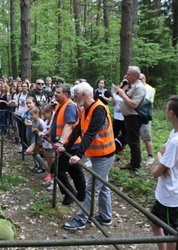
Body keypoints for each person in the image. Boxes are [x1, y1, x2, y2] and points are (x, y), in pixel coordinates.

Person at [62, 82, 116, 230]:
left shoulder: (98, 109)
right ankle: (105, 216)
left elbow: (90, 133)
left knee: (92, 188)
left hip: (105, 154)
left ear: (84, 95)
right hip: (97, 155)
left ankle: (81, 219)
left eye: (76, 96)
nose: (75, 99)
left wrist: (79, 155)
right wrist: (65, 147)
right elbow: (78, 130)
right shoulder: (85, 109)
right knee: (103, 186)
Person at [149, 95, 178, 250]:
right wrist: (161, 157)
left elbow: (156, 172)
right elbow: (161, 153)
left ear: (171, 113)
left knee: (171, 231)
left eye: (166, 109)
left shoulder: (177, 141)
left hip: (171, 193)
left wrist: (161, 160)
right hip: (165, 192)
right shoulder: (175, 132)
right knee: (154, 221)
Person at [49, 83, 86, 205]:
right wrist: (48, 132)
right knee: (74, 171)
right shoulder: (60, 105)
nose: (55, 94)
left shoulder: (69, 106)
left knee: (57, 170)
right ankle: (80, 195)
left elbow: (69, 125)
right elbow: (55, 122)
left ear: (65, 94)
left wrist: (61, 143)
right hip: (67, 145)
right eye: (55, 92)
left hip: (70, 145)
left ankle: (71, 194)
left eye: (58, 92)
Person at [113, 66, 146, 174]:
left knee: (134, 142)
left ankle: (136, 166)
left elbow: (134, 104)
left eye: (128, 74)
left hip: (134, 118)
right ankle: (133, 162)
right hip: (128, 117)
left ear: (135, 76)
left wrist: (122, 94)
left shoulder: (139, 88)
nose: (126, 76)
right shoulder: (132, 86)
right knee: (131, 141)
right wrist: (121, 91)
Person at [140, 73, 156, 164]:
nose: (139, 81)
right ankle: (139, 154)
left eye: (141, 79)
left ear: (145, 79)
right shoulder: (136, 88)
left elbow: (144, 101)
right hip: (137, 116)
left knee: (146, 137)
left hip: (145, 116)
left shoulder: (149, 89)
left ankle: (150, 156)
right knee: (138, 137)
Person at [38, 103, 55, 191]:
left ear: (50, 112)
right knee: (49, 163)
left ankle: (54, 181)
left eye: (45, 114)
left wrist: (44, 134)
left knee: (52, 163)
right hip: (45, 144)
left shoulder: (53, 121)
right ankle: (50, 178)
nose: (43, 115)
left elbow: (50, 131)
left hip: (50, 145)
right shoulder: (46, 120)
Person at [26, 106, 47, 174]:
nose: (31, 116)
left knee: (30, 151)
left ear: (37, 114)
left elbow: (44, 131)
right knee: (32, 152)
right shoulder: (33, 121)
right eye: (30, 114)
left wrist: (37, 131)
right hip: (35, 139)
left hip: (40, 141)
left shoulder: (40, 122)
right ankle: (38, 165)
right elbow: (33, 127)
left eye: (32, 114)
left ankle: (42, 166)